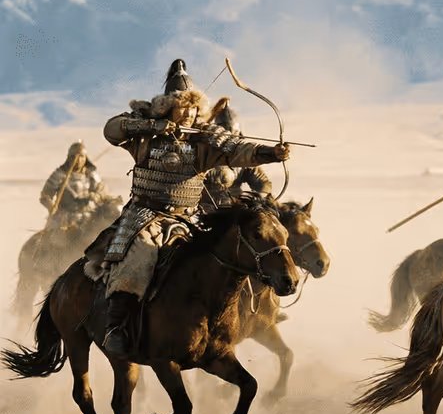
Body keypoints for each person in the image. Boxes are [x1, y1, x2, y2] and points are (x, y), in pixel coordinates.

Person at [91, 58, 290, 357]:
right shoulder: (145, 138)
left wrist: (271, 153)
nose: (189, 113)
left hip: (188, 219)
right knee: (141, 255)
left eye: (193, 108)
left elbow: (240, 151)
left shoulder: (205, 143)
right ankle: (116, 327)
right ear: (167, 108)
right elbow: (112, 130)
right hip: (144, 217)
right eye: (182, 107)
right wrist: (150, 124)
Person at [201, 97, 273, 210]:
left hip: (233, 212)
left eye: (233, 133)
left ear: (238, 133)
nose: (229, 137)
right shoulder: (203, 152)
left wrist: (261, 197)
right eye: (225, 132)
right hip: (201, 212)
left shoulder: (243, 157)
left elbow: (262, 184)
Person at [40, 141, 113, 231]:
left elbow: (103, 191)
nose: (78, 160)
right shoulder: (60, 174)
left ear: (85, 158)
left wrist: (96, 196)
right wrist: (54, 210)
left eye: (81, 157)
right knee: (55, 239)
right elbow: (45, 196)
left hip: (88, 215)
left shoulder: (91, 174)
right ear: (70, 157)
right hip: (65, 217)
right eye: (75, 157)